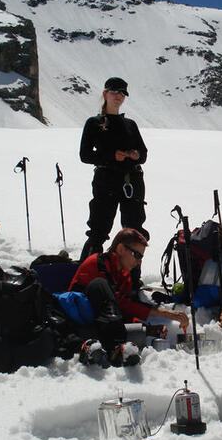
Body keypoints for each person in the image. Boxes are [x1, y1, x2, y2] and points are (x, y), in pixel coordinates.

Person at [69, 228, 190, 367]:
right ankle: (115, 348)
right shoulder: (98, 264)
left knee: (139, 332)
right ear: (120, 249)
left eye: (141, 257)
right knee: (100, 286)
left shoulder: (124, 275)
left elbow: (123, 312)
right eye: (136, 255)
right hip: (80, 323)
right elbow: (121, 302)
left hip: (104, 325)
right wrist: (165, 313)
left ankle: (116, 349)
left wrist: (147, 328)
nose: (139, 262)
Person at [78, 77, 149, 262]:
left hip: (132, 180)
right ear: (105, 94)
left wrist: (135, 155)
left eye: (123, 93)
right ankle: (87, 273)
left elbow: (144, 154)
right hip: (106, 180)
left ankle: (131, 278)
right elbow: (85, 155)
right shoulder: (94, 123)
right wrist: (111, 156)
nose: (119, 96)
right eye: (114, 92)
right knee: (98, 229)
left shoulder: (130, 124)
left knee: (134, 230)